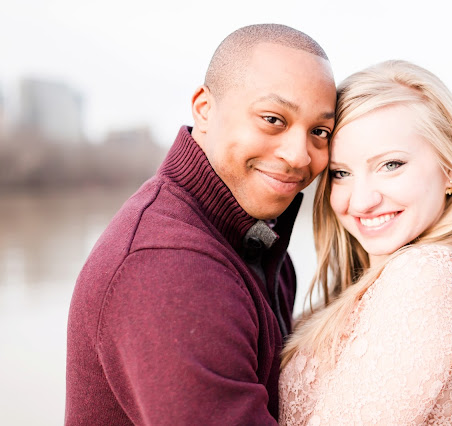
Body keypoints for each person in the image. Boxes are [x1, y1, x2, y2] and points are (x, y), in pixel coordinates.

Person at [65, 24, 336, 425]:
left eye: (319, 132)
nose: (299, 155)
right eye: (273, 119)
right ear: (204, 109)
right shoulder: (168, 268)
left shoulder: (254, 238)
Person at [279, 60, 452, 425]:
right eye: (341, 173)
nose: (360, 202)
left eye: (391, 165)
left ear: (450, 167)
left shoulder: (427, 277)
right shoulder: (391, 279)